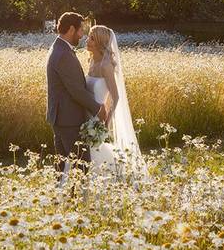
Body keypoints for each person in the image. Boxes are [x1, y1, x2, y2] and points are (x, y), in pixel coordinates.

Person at [45, 12, 107, 186]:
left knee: (62, 167)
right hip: (69, 120)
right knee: (81, 166)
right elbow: (76, 90)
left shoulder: (58, 48)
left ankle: (62, 199)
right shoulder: (63, 53)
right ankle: (76, 202)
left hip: (61, 118)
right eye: (80, 30)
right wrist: (98, 108)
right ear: (71, 29)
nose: (82, 35)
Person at [84, 24, 148, 180]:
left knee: (95, 152)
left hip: (97, 118)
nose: (87, 40)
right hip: (85, 114)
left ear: (100, 43)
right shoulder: (92, 62)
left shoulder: (106, 66)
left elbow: (116, 96)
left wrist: (107, 120)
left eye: (92, 38)